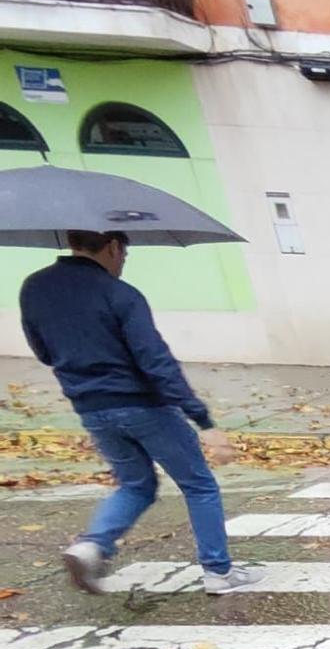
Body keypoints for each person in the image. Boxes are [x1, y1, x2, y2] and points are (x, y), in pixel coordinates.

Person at [18, 230, 259, 595]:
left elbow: (44, 352)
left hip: (91, 408)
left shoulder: (34, 288)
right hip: (143, 406)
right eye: (125, 253)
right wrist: (202, 420)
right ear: (114, 246)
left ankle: (91, 546)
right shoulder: (121, 294)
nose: (123, 261)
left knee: (136, 484)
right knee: (199, 484)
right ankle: (218, 571)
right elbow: (155, 361)